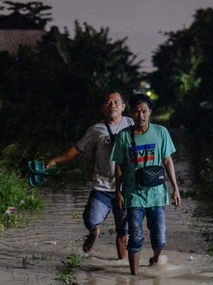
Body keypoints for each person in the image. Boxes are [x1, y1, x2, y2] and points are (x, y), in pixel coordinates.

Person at [46, 91, 134, 257]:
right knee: (91, 220)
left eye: (116, 102)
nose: (112, 105)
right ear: (103, 108)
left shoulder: (132, 124)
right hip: (102, 186)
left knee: (124, 231)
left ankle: (121, 265)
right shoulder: (96, 129)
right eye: (108, 102)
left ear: (123, 107)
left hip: (126, 188)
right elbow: (78, 149)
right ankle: (94, 233)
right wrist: (57, 160)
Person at [112, 93, 181, 275]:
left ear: (150, 112)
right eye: (136, 111)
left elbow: (167, 161)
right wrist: (118, 192)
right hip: (133, 194)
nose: (140, 116)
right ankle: (133, 278)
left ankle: (155, 260)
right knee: (135, 236)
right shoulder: (124, 136)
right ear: (131, 113)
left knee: (159, 237)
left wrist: (175, 189)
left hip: (157, 194)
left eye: (144, 111)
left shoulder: (161, 132)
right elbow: (119, 165)